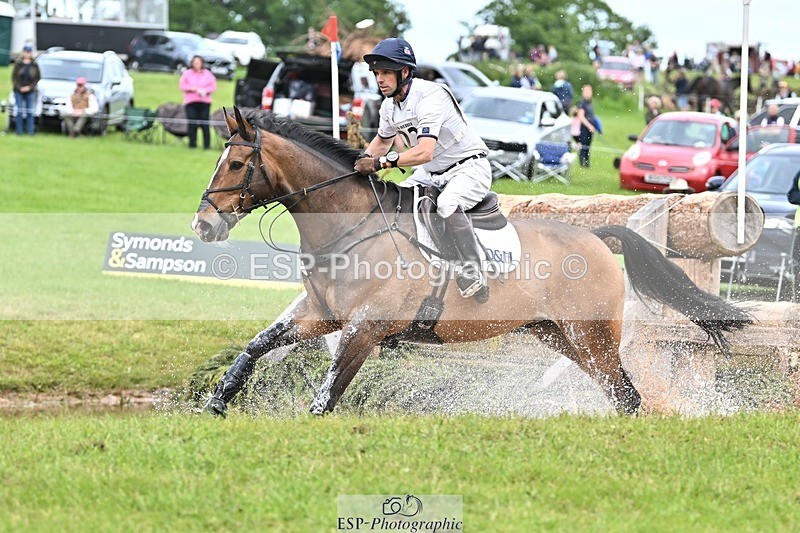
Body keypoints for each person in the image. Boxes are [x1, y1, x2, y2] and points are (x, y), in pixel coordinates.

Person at [355, 38, 491, 303]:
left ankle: (474, 270)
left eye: (386, 73)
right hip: (432, 172)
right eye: (377, 73)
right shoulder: (388, 106)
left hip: (468, 167)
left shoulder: (430, 96)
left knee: (448, 204)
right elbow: (382, 141)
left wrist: (381, 164)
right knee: (392, 202)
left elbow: (424, 152)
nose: (380, 79)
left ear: (404, 72)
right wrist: (361, 163)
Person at [179, 55, 217, 149]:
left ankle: (207, 145)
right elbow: (182, 86)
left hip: (204, 102)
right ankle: (192, 144)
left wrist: (205, 90)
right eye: (195, 62)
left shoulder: (207, 74)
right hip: (191, 102)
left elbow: (213, 86)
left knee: (205, 124)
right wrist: (192, 88)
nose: (196, 64)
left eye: (198, 62)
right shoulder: (187, 74)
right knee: (192, 124)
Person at [11, 43, 40, 136]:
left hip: (30, 91)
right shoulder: (18, 64)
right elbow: (14, 77)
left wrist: (29, 87)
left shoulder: (34, 65)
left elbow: (37, 78)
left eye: (29, 51)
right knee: (19, 111)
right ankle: (19, 131)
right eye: (26, 51)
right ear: (23, 52)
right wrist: (20, 87)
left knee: (30, 111)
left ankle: (30, 131)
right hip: (18, 90)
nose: (27, 53)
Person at [575, 84, 596, 167]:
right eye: (586, 91)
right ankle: (582, 162)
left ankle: (586, 162)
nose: (587, 93)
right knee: (583, 145)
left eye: (589, 91)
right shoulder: (582, 102)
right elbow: (581, 116)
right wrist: (589, 126)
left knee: (588, 145)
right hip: (584, 128)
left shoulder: (590, 102)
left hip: (590, 128)